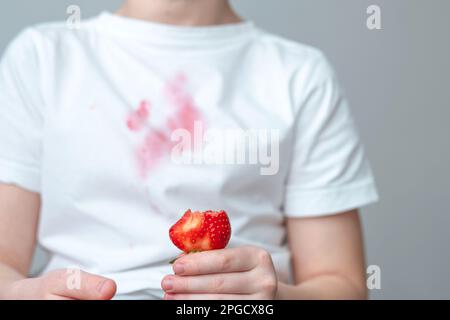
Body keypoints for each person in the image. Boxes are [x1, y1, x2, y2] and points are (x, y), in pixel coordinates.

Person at [0, 0, 378, 300]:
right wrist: (22, 294)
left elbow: (341, 283)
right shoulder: (41, 57)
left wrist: (273, 297)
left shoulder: (300, 74)